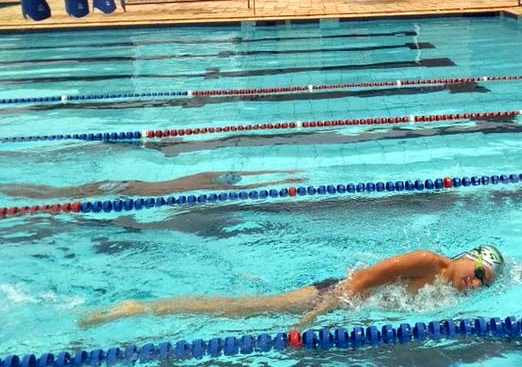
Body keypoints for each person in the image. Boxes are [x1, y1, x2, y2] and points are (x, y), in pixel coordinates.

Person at [80, 246, 522, 329]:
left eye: (484, 283)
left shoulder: (467, 284)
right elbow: (365, 280)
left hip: (352, 309)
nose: (476, 284)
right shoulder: (428, 263)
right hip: (333, 295)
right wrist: (315, 315)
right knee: (243, 312)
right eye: (477, 271)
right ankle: (141, 308)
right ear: (466, 257)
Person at [0, 170, 303, 199]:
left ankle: (13, 189)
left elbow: (246, 179)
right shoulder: (212, 186)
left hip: (128, 185)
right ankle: (13, 190)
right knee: (56, 196)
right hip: (127, 190)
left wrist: (281, 176)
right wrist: (281, 180)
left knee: (58, 194)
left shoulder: (206, 176)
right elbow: (246, 188)